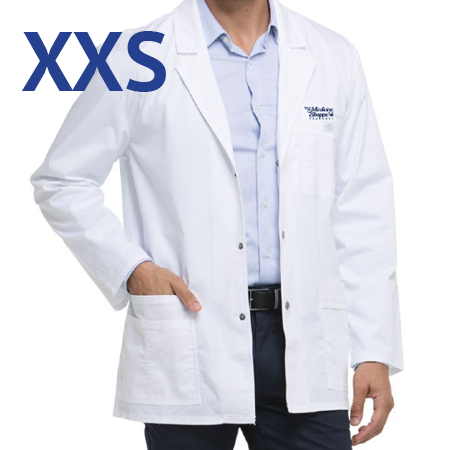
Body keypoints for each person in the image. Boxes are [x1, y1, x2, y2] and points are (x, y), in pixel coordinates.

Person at [30, 0, 404, 448]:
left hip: (305, 339)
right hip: (192, 330)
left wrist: (373, 350)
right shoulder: (136, 55)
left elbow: (361, 208)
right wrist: (131, 268)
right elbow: (62, 179)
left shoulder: (332, 55)